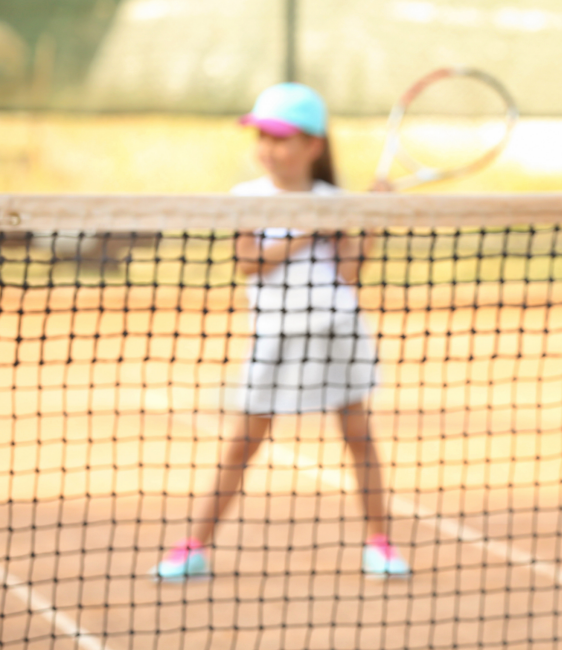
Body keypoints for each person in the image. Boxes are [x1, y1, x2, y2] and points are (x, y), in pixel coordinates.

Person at [151, 82, 410, 581]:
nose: (268, 149)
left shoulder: (334, 199)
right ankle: (194, 546)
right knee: (243, 441)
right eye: (262, 137)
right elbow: (248, 261)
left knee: (359, 438)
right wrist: (309, 228)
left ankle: (380, 543)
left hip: (337, 331)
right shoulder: (247, 199)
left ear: (313, 145)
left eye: (281, 138)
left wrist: (372, 221)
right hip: (276, 336)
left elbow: (350, 270)